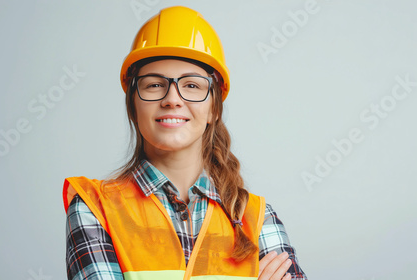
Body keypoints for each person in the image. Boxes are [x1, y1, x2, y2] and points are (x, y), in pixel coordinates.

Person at [63, 6, 307, 280]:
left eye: (192, 85)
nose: (172, 99)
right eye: (154, 85)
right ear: (134, 105)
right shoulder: (95, 208)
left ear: (214, 109)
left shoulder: (258, 218)